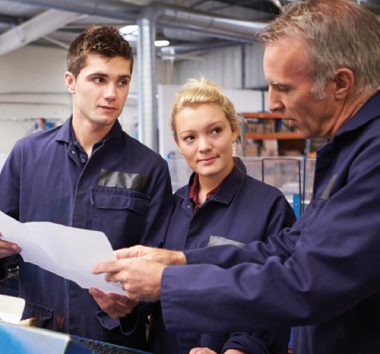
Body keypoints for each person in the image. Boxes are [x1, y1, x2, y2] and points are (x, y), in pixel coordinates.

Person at [93, 1, 380, 353]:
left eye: (284, 88)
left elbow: (306, 282)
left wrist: (171, 282)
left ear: (340, 83)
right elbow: (287, 251)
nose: (272, 103)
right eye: (189, 137)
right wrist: (179, 260)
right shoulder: (346, 152)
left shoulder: (370, 157)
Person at [0, 25, 173, 350]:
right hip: (40, 334)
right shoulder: (27, 155)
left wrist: (132, 308)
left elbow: (160, 264)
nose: (112, 93)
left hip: (113, 339)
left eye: (122, 81)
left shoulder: (150, 168)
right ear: (71, 82)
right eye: (99, 79)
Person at [150, 78, 295, 354]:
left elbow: (276, 296)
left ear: (233, 130)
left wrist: (238, 349)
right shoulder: (173, 205)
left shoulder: (270, 206)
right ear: (178, 143)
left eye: (214, 131)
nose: (203, 146)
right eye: (190, 137)